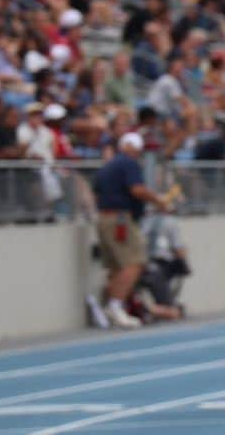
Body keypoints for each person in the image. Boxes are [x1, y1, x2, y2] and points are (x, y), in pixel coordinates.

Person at [92, 132, 172, 329]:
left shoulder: (107, 166)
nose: (138, 152)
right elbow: (137, 190)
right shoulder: (128, 163)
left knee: (116, 267)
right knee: (134, 262)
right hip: (120, 219)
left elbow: (98, 191)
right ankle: (115, 306)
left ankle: (113, 306)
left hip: (104, 216)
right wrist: (158, 200)